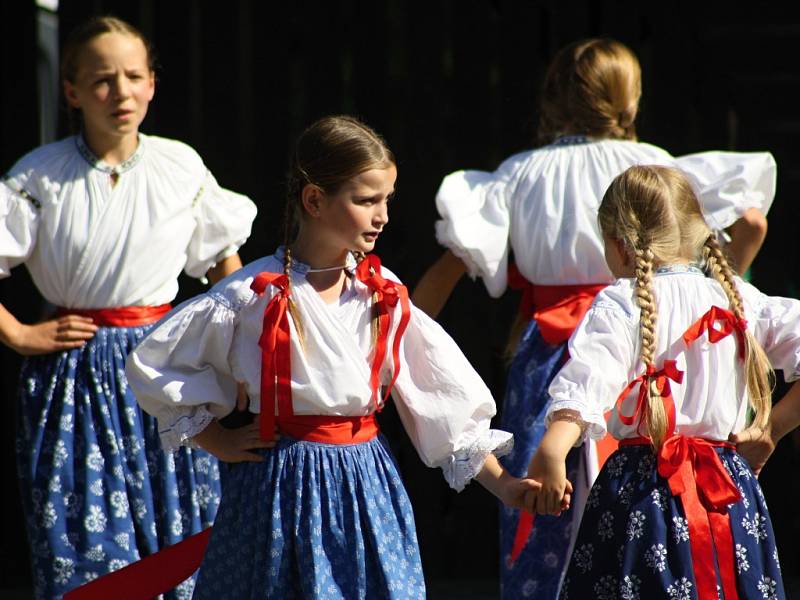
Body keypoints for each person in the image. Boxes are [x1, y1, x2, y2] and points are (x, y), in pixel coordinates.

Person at [411, 38, 776, 598]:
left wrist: (403, 336)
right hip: (655, 351)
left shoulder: (519, 173)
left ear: (553, 95)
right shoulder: (654, 166)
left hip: (553, 360)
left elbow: (447, 271)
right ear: (629, 99)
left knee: (546, 510)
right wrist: (722, 292)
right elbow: (751, 220)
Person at [123, 114, 539, 599]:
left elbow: (444, 406)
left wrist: (507, 487)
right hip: (279, 488)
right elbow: (155, 364)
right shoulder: (250, 296)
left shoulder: (382, 297)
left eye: (386, 200)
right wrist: (216, 438)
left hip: (365, 485)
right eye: (366, 201)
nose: (382, 216)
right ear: (315, 200)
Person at [0, 16, 257, 600]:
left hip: (166, 368)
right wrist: (18, 334)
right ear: (71, 92)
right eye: (101, 80)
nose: (119, 93)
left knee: (185, 535)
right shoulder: (39, 175)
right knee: (86, 542)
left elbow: (225, 267)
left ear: (151, 85)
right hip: (75, 379)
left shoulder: (180, 168)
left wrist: (244, 356)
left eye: (133, 77)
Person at [527, 164, 794, 599]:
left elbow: (590, 377)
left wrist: (552, 449)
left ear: (619, 245)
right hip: (726, 495)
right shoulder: (739, 299)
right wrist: (773, 428)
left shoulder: (619, 303)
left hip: (641, 497)